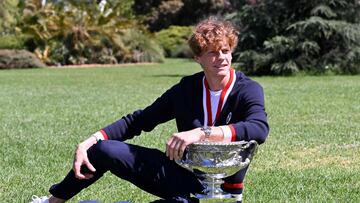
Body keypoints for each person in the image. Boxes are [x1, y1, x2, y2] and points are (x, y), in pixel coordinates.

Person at [30, 17, 269, 203]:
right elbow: (140, 120)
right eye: (212, 53)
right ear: (198, 57)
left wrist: (201, 133)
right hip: (182, 176)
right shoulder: (187, 88)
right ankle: (53, 200)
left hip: (224, 186)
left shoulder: (247, 89)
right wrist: (88, 142)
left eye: (225, 51)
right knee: (103, 149)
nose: (221, 58)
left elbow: (258, 129)